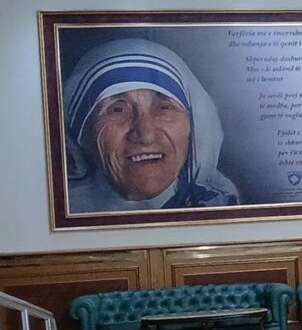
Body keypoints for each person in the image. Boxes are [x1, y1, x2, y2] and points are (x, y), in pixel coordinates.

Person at [62, 38, 239, 214]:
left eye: (165, 107)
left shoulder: (220, 205)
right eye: (118, 109)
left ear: (193, 125)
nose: (146, 135)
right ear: (82, 134)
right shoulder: (57, 209)